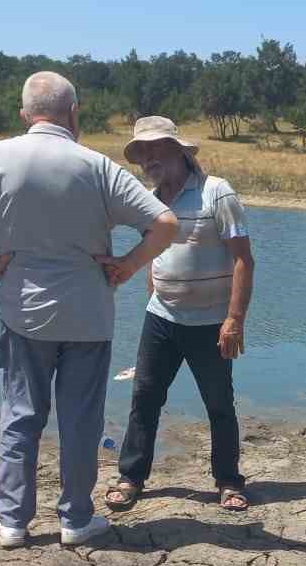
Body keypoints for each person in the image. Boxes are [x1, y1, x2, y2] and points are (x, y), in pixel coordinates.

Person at [0, 72, 178, 549]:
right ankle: (76, 519)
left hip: (23, 311)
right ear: (74, 113)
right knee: (80, 421)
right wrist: (126, 265)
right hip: (88, 314)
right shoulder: (98, 167)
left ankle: (12, 522)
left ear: (25, 114)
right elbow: (164, 223)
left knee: (21, 416)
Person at [102, 116, 255, 514]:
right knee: (144, 397)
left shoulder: (216, 192)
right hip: (161, 319)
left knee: (219, 404)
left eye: (154, 148)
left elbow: (243, 259)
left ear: (179, 151)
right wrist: (152, 294)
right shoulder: (148, 200)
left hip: (211, 323)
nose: (147, 158)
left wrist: (234, 319)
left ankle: (228, 481)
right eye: (141, 151)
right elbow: (153, 253)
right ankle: (131, 477)